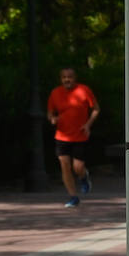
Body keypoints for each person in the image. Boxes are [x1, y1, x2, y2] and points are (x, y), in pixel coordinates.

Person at [47, 67, 100, 208]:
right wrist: (52, 119)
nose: (67, 79)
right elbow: (50, 112)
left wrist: (88, 125)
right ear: (61, 79)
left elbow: (96, 109)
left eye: (69, 76)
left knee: (78, 167)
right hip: (62, 136)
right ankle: (73, 196)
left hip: (79, 135)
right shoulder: (55, 93)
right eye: (64, 77)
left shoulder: (84, 90)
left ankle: (83, 177)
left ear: (75, 78)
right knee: (64, 165)